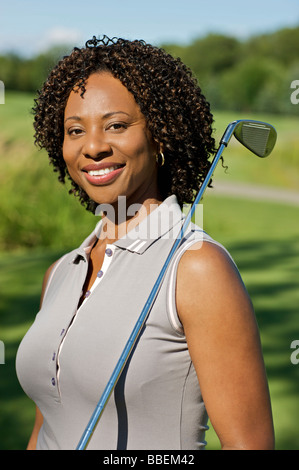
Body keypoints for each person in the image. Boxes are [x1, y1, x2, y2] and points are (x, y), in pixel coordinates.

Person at [16, 35, 274, 450]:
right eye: (75, 130)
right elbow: (46, 429)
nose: (94, 146)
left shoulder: (195, 268)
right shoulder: (60, 273)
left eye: (116, 125)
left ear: (160, 135)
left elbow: (250, 444)